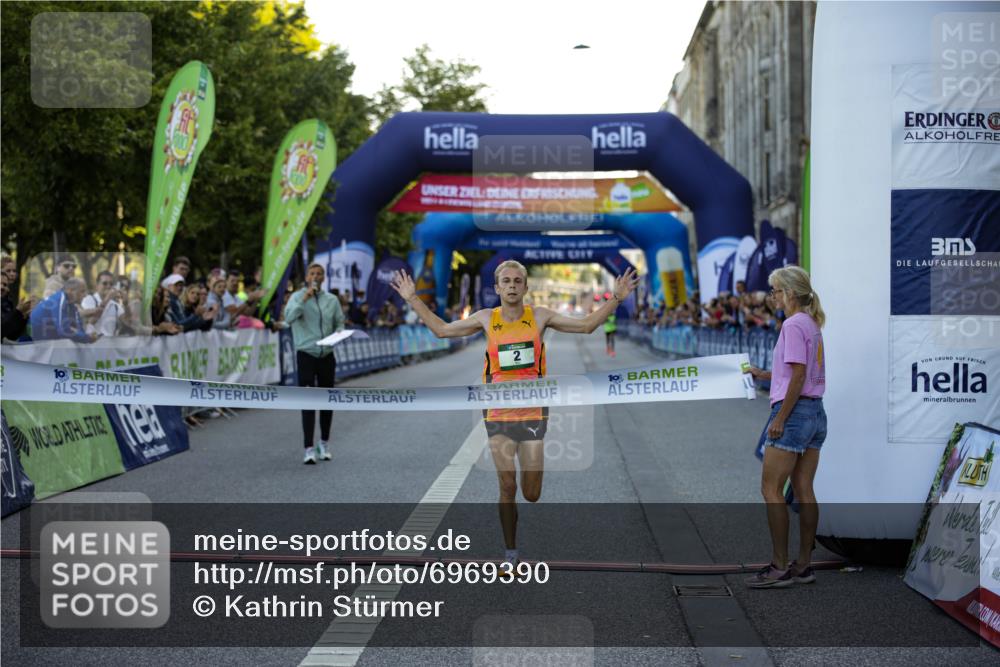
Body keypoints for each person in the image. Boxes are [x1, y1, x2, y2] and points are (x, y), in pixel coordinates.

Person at [391, 260, 639, 571]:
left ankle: (520, 516)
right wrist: (412, 298)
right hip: (498, 414)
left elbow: (586, 325)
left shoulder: (540, 316)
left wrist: (616, 298)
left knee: (531, 493)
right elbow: (442, 330)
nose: (511, 285)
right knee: (507, 485)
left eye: (517, 281)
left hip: (534, 413)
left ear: (525, 287)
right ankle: (510, 551)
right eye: (505, 281)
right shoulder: (485, 318)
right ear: (496, 288)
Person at [745, 266, 827, 588]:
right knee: (804, 488)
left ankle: (779, 567)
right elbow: (796, 372)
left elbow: (797, 376)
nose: (772, 297)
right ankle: (804, 564)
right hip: (815, 413)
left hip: (793, 414)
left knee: (770, 489)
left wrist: (779, 419)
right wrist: (765, 374)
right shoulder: (811, 323)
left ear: (790, 294)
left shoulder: (792, 325)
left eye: (776, 291)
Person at [283, 262, 345, 464]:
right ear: (307, 277)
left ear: (324, 278)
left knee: (328, 400)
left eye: (319, 274)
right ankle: (308, 448)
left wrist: (338, 333)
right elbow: (289, 318)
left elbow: (340, 323)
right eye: (312, 274)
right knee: (308, 401)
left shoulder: (332, 300)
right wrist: (304, 298)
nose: (316, 277)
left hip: (327, 354)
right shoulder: (297, 297)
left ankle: (324, 443)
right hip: (306, 354)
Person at [30, 278, 96, 342]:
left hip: (46, 342)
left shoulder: (72, 305)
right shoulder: (59, 299)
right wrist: (87, 337)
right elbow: (63, 331)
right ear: (70, 291)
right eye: (82, 291)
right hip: (31, 343)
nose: (85, 295)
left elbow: (79, 329)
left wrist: (84, 335)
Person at [80, 270, 126, 337]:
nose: (108, 286)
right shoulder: (89, 299)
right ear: (97, 285)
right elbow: (91, 322)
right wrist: (107, 299)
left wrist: (126, 304)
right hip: (93, 344)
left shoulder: (115, 305)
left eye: (111, 284)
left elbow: (127, 321)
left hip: (109, 345)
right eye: (105, 283)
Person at [1, 271, 32, 341]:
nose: (1, 287)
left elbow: (11, 336)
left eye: (5, 285)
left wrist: (23, 317)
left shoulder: (7, 304)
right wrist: (18, 312)